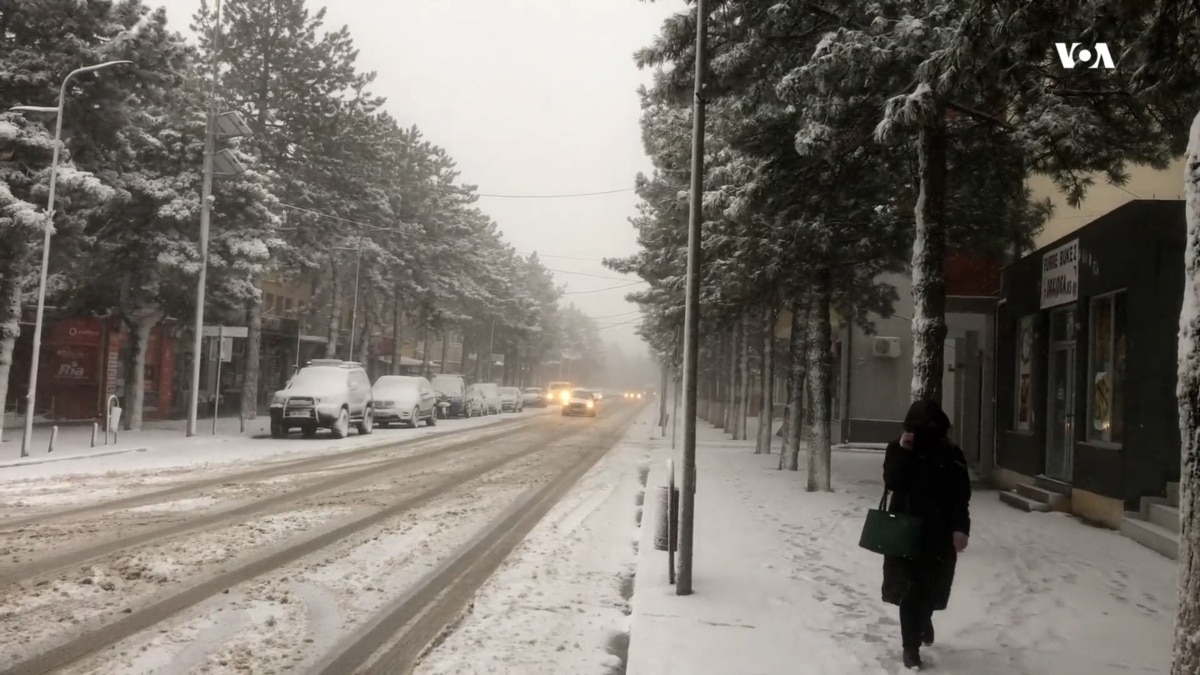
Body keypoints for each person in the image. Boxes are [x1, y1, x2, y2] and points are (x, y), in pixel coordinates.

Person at [881, 399, 972, 670]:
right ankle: (910, 648)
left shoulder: (951, 453)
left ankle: (924, 619)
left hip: (938, 533)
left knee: (933, 587)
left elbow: (961, 495)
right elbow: (893, 482)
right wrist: (904, 452)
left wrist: (961, 528)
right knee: (909, 589)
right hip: (905, 529)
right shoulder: (899, 448)